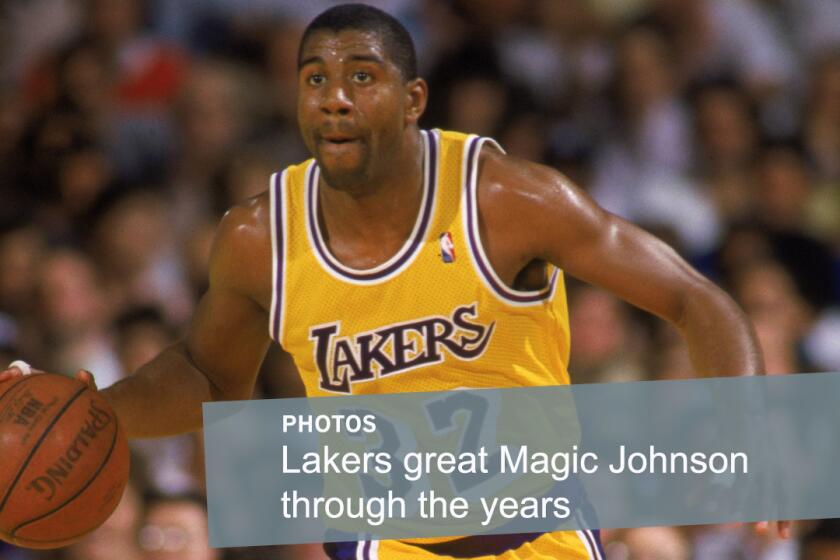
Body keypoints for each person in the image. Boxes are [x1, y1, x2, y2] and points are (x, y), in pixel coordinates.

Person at [0, 4, 789, 559]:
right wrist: (92, 412)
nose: (334, 97)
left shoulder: (508, 199)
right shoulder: (258, 238)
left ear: (413, 100)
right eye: (314, 79)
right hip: (387, 539)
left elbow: (694, 297)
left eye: (361, 76)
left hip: (546, 527)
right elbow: (208, 374)